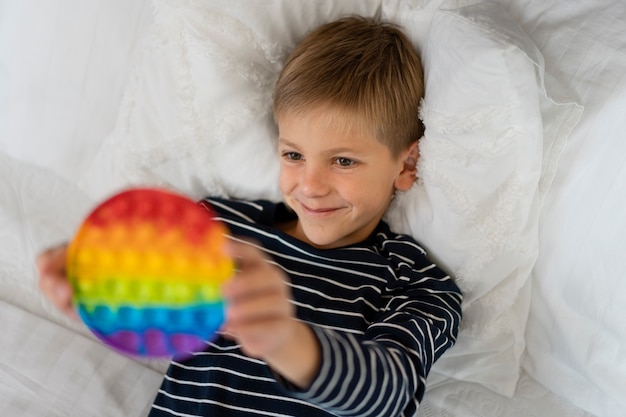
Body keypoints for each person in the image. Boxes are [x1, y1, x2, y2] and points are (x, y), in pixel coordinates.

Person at [37, 16, 462, 417]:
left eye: (344, 161)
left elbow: (390, 394)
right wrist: (97, 284)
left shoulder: (413, 281)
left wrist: (286, 340)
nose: (310, 185)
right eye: (294, 155)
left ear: (405, 167)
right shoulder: (218, 227)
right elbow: (152, 299)